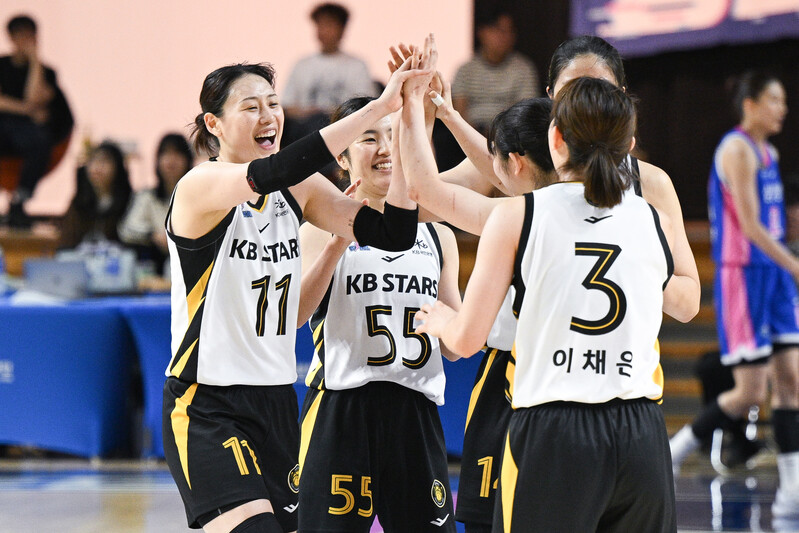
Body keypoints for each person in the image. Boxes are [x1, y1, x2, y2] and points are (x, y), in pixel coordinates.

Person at [161, 53, 427, 533]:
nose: (268, 116)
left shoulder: (299, 189)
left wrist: (407, 122)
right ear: (213, 124)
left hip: (277, 402)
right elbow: (271, 171)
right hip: (208, 405)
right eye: (251, 107)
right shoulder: (201, 186)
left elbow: (395, 233)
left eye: (273, 104)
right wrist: (377, 107)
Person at [416, 76, 682, 532]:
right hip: (641, 430)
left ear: (555, 139)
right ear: (629, 145)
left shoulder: (519, 215)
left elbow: (466, 339)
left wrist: (441, 321)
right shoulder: (652, 218)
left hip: (556, 427)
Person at [296, 93, 461, 532]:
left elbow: (456, 347)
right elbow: (294, 317)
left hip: (414, 410)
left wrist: (459, 326)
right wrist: (336, 245)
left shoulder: (436, 235)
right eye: (369, 138)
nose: (385, 148)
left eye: (393, 135)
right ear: (343, 159)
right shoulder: (318, 227)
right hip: (342, 410)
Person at [669, 71, 799, 523]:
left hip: (774, 275)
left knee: (792, 381)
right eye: (774, 100)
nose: (783, 109)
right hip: (743, 275)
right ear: (750, 104)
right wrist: (793, 263)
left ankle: (791, 492)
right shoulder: (735, 149)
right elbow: (749, 224)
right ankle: (674, 451)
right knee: (749, 392)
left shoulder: (769, 152)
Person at [0, 14, 73, 228]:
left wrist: (34, 61)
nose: (25, 41)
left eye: (29, 36)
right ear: (11, 38)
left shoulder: (47, 72)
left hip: (27, 132)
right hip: (3, 127)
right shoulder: (1, 65)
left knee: (40, 141)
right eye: (20, 36)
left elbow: (35, 97)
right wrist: (26, 109)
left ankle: (20, 200)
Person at [281, 3, 376, 145]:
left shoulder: (357, 66)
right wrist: (307, 113)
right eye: (321, 25)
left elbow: (366, 107)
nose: (324, 30)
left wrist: (331, 112)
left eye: (330, 25)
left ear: (342, 29)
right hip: (305, 132)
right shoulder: (302, 65)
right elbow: (287, 106)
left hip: (343, 130)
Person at [451, 8, 539, 135]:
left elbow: (525, 111)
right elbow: (459, 112)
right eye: (499, 30)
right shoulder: (465, 70)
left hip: (508, 135)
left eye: (509, 31)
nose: (504, 37)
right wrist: (473, 136)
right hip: (469, 133)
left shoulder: (523, 69)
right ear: (482, 32)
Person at [118, 132, 193, 274]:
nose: (171, 160)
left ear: (187, 160)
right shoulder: (147, 197)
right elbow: (127, 229)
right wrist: (152, 235)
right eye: (166, 154)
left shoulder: (198, 198)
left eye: (177, 154)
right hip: (153, 267)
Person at [59, 141, 132, 249]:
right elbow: (67, 240)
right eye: (93, 160)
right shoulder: (79, 200)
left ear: (118, 167)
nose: (97, 166)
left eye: (105, 161)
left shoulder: (129, 201)